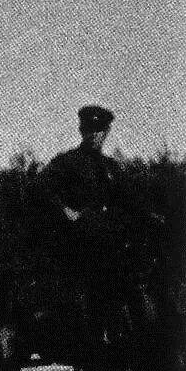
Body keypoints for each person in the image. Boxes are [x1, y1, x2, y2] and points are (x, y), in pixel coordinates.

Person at [38, 105, 131, 343]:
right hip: (74, 240)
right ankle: (96, 330)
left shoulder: (112, 168)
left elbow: (127, 203)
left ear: (106, 132)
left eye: (99, 130)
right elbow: (41, 190)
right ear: (81, 130)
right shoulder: (66, 162)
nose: (94, 135)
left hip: (108, 239)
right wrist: (65, 211)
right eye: (89, 129)